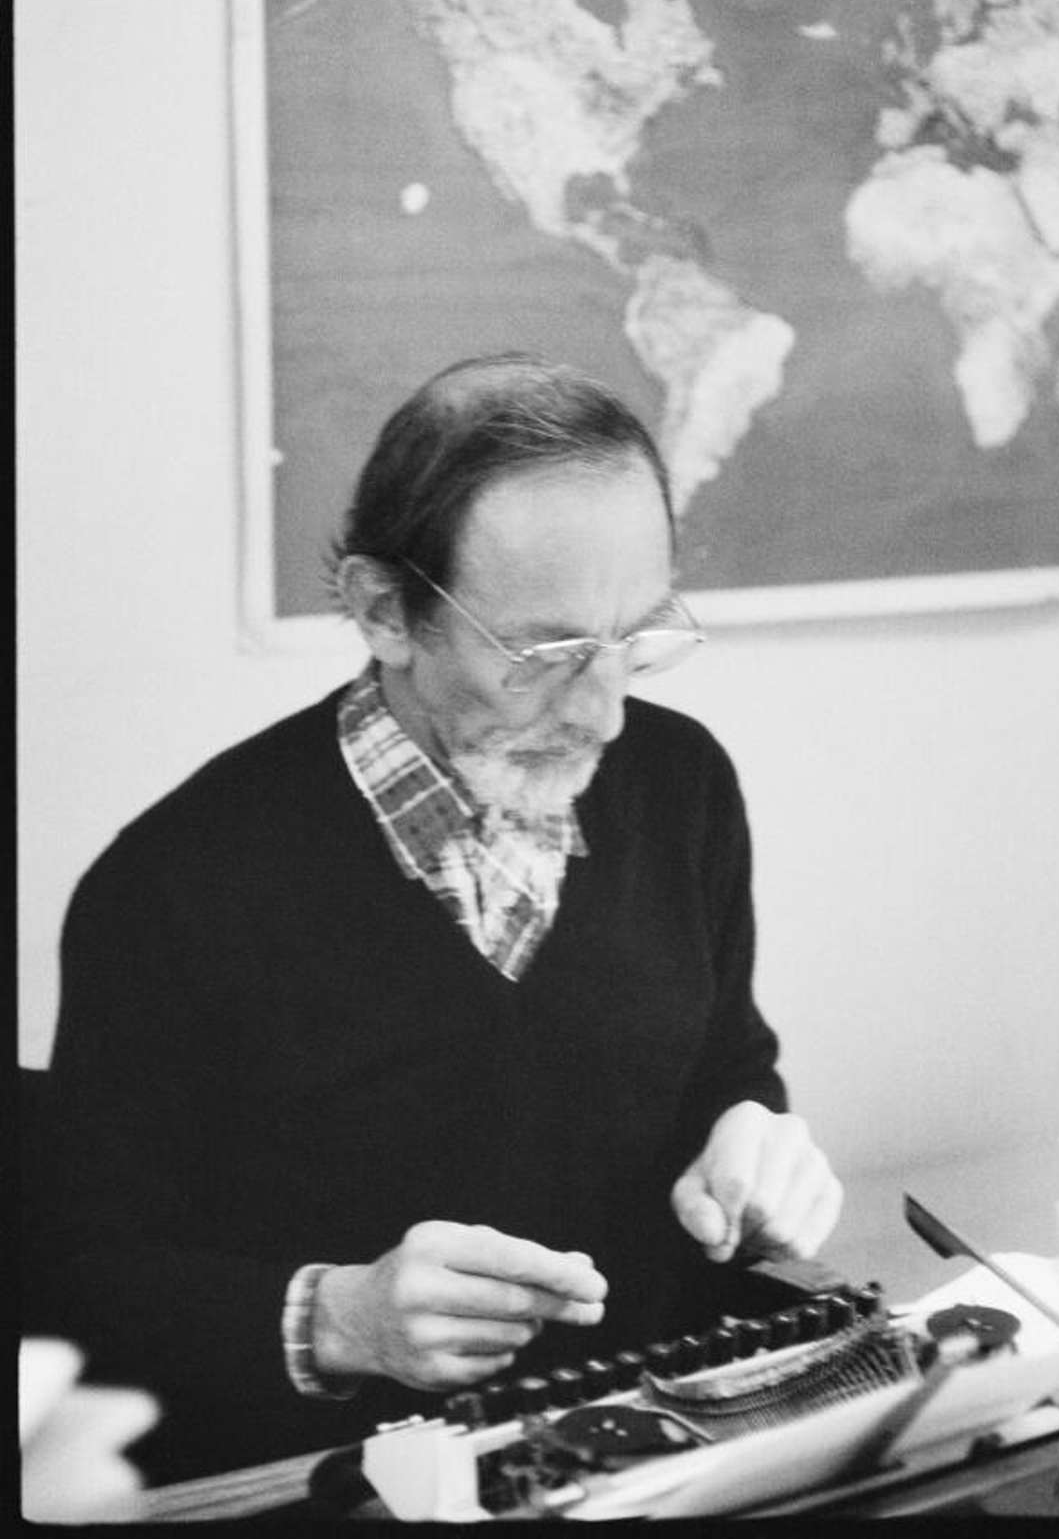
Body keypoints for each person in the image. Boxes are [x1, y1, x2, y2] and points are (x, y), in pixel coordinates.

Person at [40, 352, 843, 1485]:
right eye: (547, 653)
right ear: (386, 610)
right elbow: (84, 1282)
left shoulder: (683, 784)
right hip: (343, 1481)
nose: (607, 713)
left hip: (654, 1443)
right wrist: (339, 1319)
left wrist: (752, 1149)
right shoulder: (172, 885)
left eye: (637, 636)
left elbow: (724, 1067)